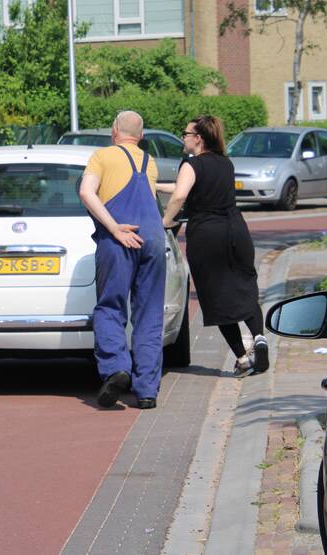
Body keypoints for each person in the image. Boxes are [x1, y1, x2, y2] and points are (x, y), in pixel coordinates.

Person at [160, 115, 268, 377]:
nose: (183, 138)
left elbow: (181, 194)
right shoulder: (225, 163)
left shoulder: (191, 163)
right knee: (244, 286)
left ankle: (242, 358)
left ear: (198, 138)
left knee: (217, 296)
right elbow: (188, 187)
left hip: (207, 234)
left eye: (185, 134)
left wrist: (166, 220)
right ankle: (259, 338)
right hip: (235, 230)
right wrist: (152, 185)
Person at [78, 111, 166, 409]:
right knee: (150, 312)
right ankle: (146, 391)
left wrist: (113, 227)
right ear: (141, 136)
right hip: (152, 238)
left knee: (111, 307)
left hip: (119, 238)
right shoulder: (149, 161)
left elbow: (86, 192)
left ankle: (116, 368)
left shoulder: (102, 156)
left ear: (114, 130)